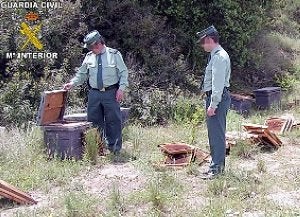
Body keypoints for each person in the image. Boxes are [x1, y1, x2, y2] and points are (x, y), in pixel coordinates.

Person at [64, 30, 129, 155]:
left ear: (98, 44)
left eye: (91, 47)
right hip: (94, 94)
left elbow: (123, 73)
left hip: (111, 92)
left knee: (113, 121)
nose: (91, 50)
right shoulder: (89, 57)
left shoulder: (114, 54)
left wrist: (121, 89)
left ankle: (114, 149)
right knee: (93, 122)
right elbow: (82, 74)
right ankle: (98, 150)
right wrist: (72, 83)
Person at [196, 25, 231, 179]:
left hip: (217, 98)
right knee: (214, 134)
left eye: (203, 42)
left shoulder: (219, 57)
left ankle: (216, 170)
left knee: (217, 135)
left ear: (210, 40)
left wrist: (213, 105)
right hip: (215, 97)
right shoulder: (215, 55)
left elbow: (217, 84)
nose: (202, 45)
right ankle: (215, 167)